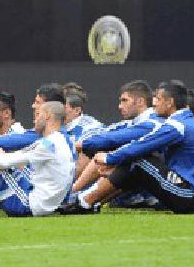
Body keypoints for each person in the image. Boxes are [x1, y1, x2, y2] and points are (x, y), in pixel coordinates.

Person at [62, 81, 194, 215]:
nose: (154, 103)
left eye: (158, 99)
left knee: (138, 160)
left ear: (170, 102)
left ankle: (82, 202)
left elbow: (142, 145)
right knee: (135, 160)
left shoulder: (176, 125)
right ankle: (87, 202)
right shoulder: (187, 122)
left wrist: (109, 159)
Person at [68, 80, 162, 210]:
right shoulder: (133, 122)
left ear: (140, 101)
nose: (120, 106)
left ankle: (72, 196)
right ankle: (79, 198)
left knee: (111, 156)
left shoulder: (153, 122)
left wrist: (77, 145)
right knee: (103, 152)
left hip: (168, 185)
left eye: (124, 100)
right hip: (148, 183)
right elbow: (106, 134)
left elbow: (112, 139)